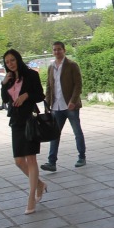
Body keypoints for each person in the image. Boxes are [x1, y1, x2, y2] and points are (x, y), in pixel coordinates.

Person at [1, 49, 46, 214]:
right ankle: (39, 184)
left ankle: (31, 197)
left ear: (18, 59)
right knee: (19, 161)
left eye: (12, 60)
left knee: (31, 159)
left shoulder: (31, 75)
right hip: (16, 121)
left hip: (29, 120)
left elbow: (40, 95)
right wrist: (4, 84)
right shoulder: (9, 78)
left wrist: (26, 95)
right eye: (7, 62)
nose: (10, 64)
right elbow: (5, 99)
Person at [42, 41, 86, 171]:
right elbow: (49, 87)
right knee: (54, 134)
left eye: (59, 49)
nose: (57, 52)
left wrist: (73, 101)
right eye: (54, 50)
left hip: (70, 106)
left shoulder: (72, 65)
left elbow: (78, 84)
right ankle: (52, 162)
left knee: (77, 132)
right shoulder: (51, 67)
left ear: (64, 50)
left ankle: (82, 157)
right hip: (56, 107)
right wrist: (47, 104)